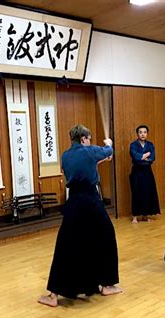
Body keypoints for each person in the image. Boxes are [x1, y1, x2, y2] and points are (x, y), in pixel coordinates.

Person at [38, 124, 122, 307]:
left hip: (74, 201)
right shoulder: (90, 150)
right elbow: (108, 150)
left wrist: (99, 160)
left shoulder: (66, 155)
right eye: (89, 139)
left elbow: (83, 164)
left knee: (66, 244)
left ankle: (53, 295)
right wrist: (109, 143)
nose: (90, 141)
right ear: (84, 139)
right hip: (91, 200)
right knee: (105, 237)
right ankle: (107, 285)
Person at [129, 125, 160, 224]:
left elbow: (152, 158)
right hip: (137, 172)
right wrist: (145, 155)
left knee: (147, 192)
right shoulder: (133, 145)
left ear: (147, 134)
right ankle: (135, 216)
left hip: (147, 172)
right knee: (136, 192)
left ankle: (145, 216)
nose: (143, 134)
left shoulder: (150, 145)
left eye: (145, 132)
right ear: (137, 134)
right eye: (140, 132)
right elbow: (135, 157)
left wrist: (142, 157)